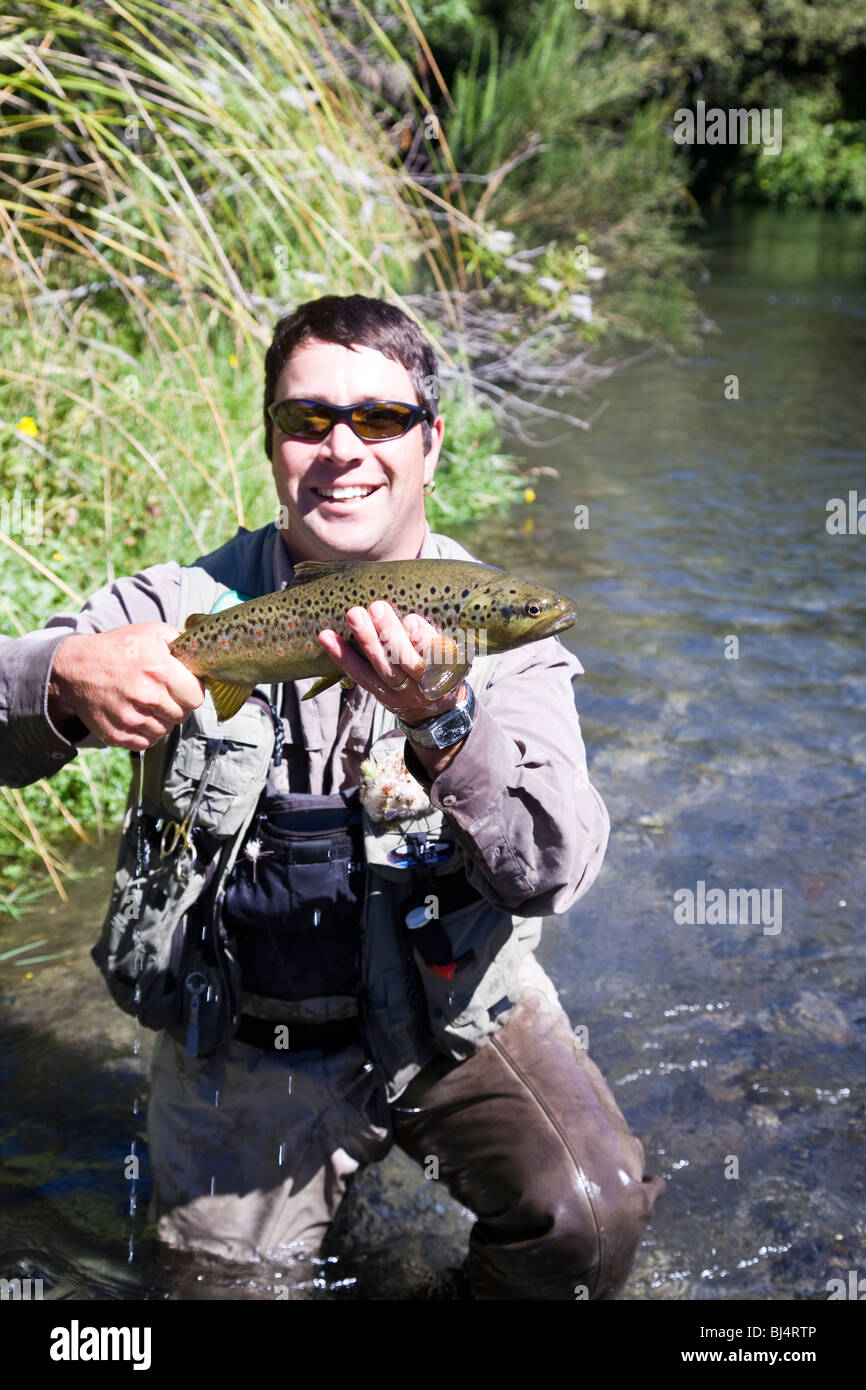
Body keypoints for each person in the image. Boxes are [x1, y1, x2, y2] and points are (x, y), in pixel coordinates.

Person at [0, 294, 664, 1299]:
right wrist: (59, 677)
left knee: (593, 1219)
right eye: (307, 420)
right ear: (271, 442)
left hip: (451, 1013)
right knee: (221, 1290)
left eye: (381, 418)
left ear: (431, 444)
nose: (342, 447)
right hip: (248, 1034)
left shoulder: (493, 624)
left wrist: (444, 723)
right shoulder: (179, 605)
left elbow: (551, 869)